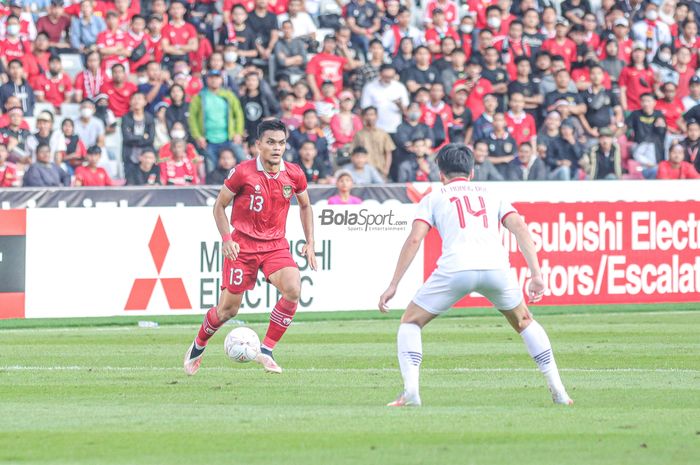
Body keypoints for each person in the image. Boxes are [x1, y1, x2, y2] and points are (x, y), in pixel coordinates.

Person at [378, 143, 573, 407]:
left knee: (411, 321)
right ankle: (559, 390)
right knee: (524, 321)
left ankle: (411, 391)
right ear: (472, 171)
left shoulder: (434, 197)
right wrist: (536, 274)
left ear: (441, 173)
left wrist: (393, 284)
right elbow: (520, 228)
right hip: (496, 267)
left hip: (455, 268)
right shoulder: (492, 194)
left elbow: (415, 240)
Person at [183, 119, 317, 375]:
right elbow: (219, 206)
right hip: (242, 246)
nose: (276, 148)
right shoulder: (242, 172)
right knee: (228, 310)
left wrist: (310, 241)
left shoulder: (294, 173)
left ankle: (266, 350)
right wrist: (227, 239)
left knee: (293, 289)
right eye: (270, 142)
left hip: (275, 245)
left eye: (281, 143)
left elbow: (305, 205)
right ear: (258, 145)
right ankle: (198, 345)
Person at [189, 70, 245, 166]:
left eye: (217, 78)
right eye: (211, 78)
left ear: (221, 80)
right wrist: (198, 137)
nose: (214, 80)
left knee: (243, 162)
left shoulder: (229, 95)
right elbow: (192, 118)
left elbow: (239, 115)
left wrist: (238, 133)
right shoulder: (200, 97)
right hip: (208, 140)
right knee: (211, 170)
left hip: (229, 138)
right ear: (207, 80)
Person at [351, 106, 396, 179]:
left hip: (380, 169)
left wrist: (386, 169)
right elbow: (353, 153)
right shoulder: (359, 134)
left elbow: (388, 153)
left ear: (376, 116)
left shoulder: (383, 133)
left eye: (372, 114)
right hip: (364, 171)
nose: (369, 117)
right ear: (363, 117)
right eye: (367, 114)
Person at [121, 93, 155, 178]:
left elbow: (150, 139)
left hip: (146, 156)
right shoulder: (126, 118)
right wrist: (143, 137)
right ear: (130, 102)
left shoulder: (149, 118)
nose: (136, 101)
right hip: (129, 155)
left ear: (145, 102)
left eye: (139, 98)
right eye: (134, 99)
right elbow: (127, 138)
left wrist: (134, 137)